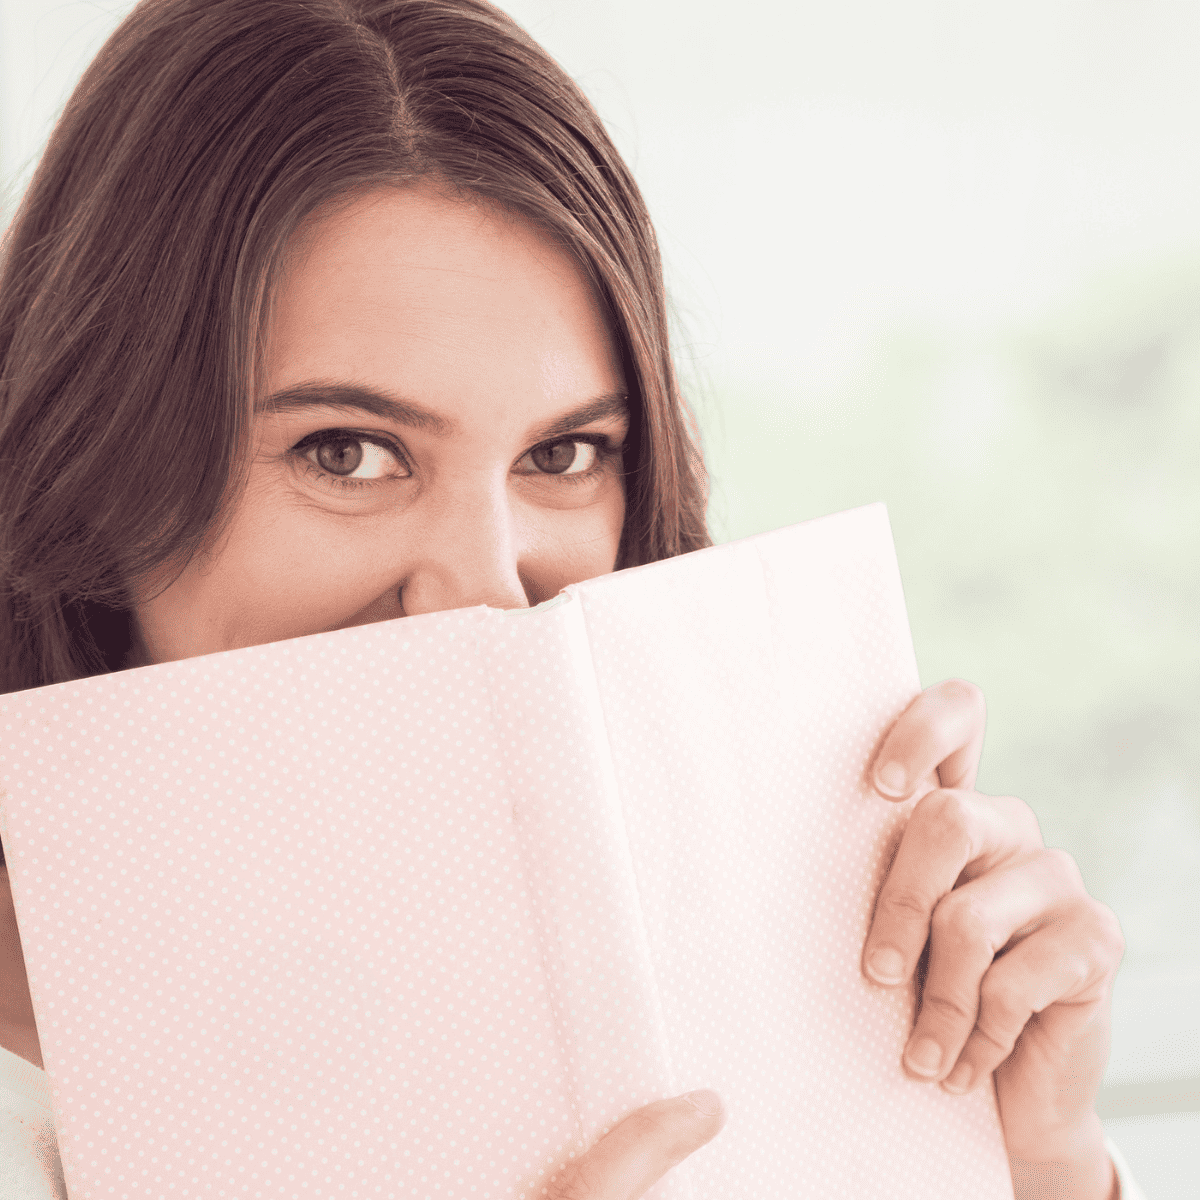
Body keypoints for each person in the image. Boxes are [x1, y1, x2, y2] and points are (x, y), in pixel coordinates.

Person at [0, 2, 1142, 1197]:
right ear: (95, 470)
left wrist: (1037, 1162)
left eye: (562, 456)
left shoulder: (697, 1000)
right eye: (346, 452)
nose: (485, 591)